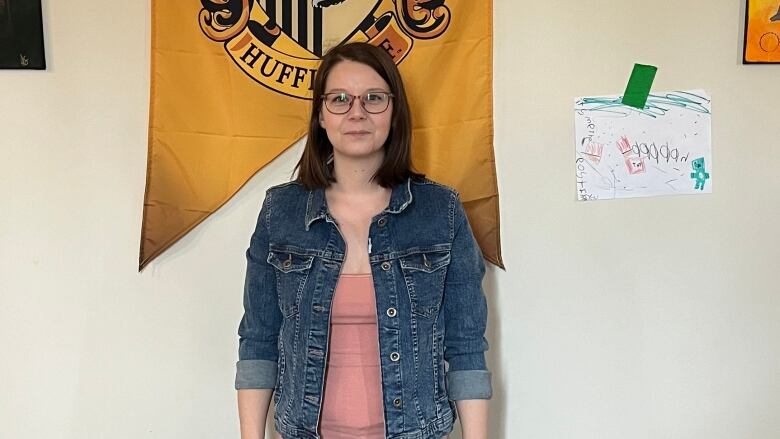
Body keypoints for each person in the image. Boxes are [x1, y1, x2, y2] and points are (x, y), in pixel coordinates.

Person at [235, 42, 491, 439]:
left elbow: (466, 347)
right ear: (320, 114)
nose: (357, 112)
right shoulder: (280, 212)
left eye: (374, 98)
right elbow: (258, 340)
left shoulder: (440, 211)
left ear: (394, 110)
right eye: (339, 99)